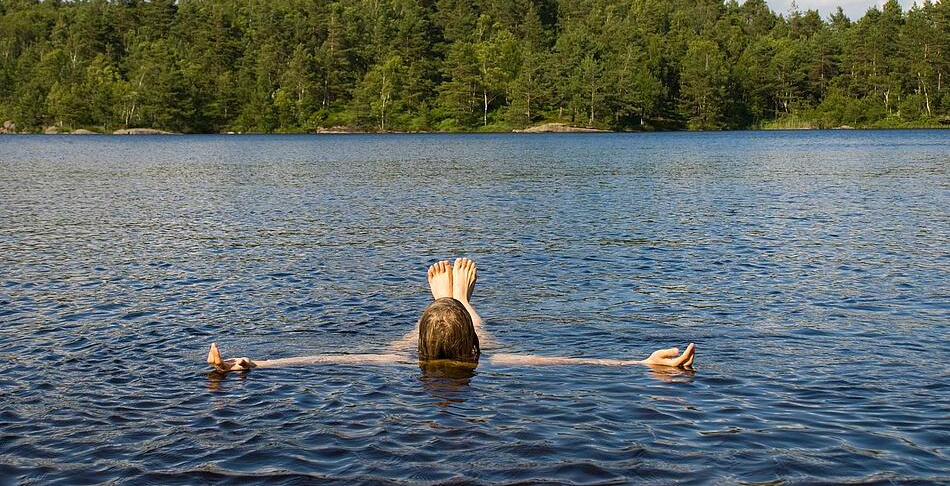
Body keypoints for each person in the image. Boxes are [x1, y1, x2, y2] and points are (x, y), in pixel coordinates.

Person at [207, 257, 696, 372]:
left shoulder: (398, 362)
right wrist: (642, 363)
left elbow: (332, 358)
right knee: (471, 328)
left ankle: (445, 307)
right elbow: (571, 365)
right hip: (470, 348)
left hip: (412, 355)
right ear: (476, 351)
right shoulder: (493, 361)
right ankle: (459, 302)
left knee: (389, 349)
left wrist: (254, 366)